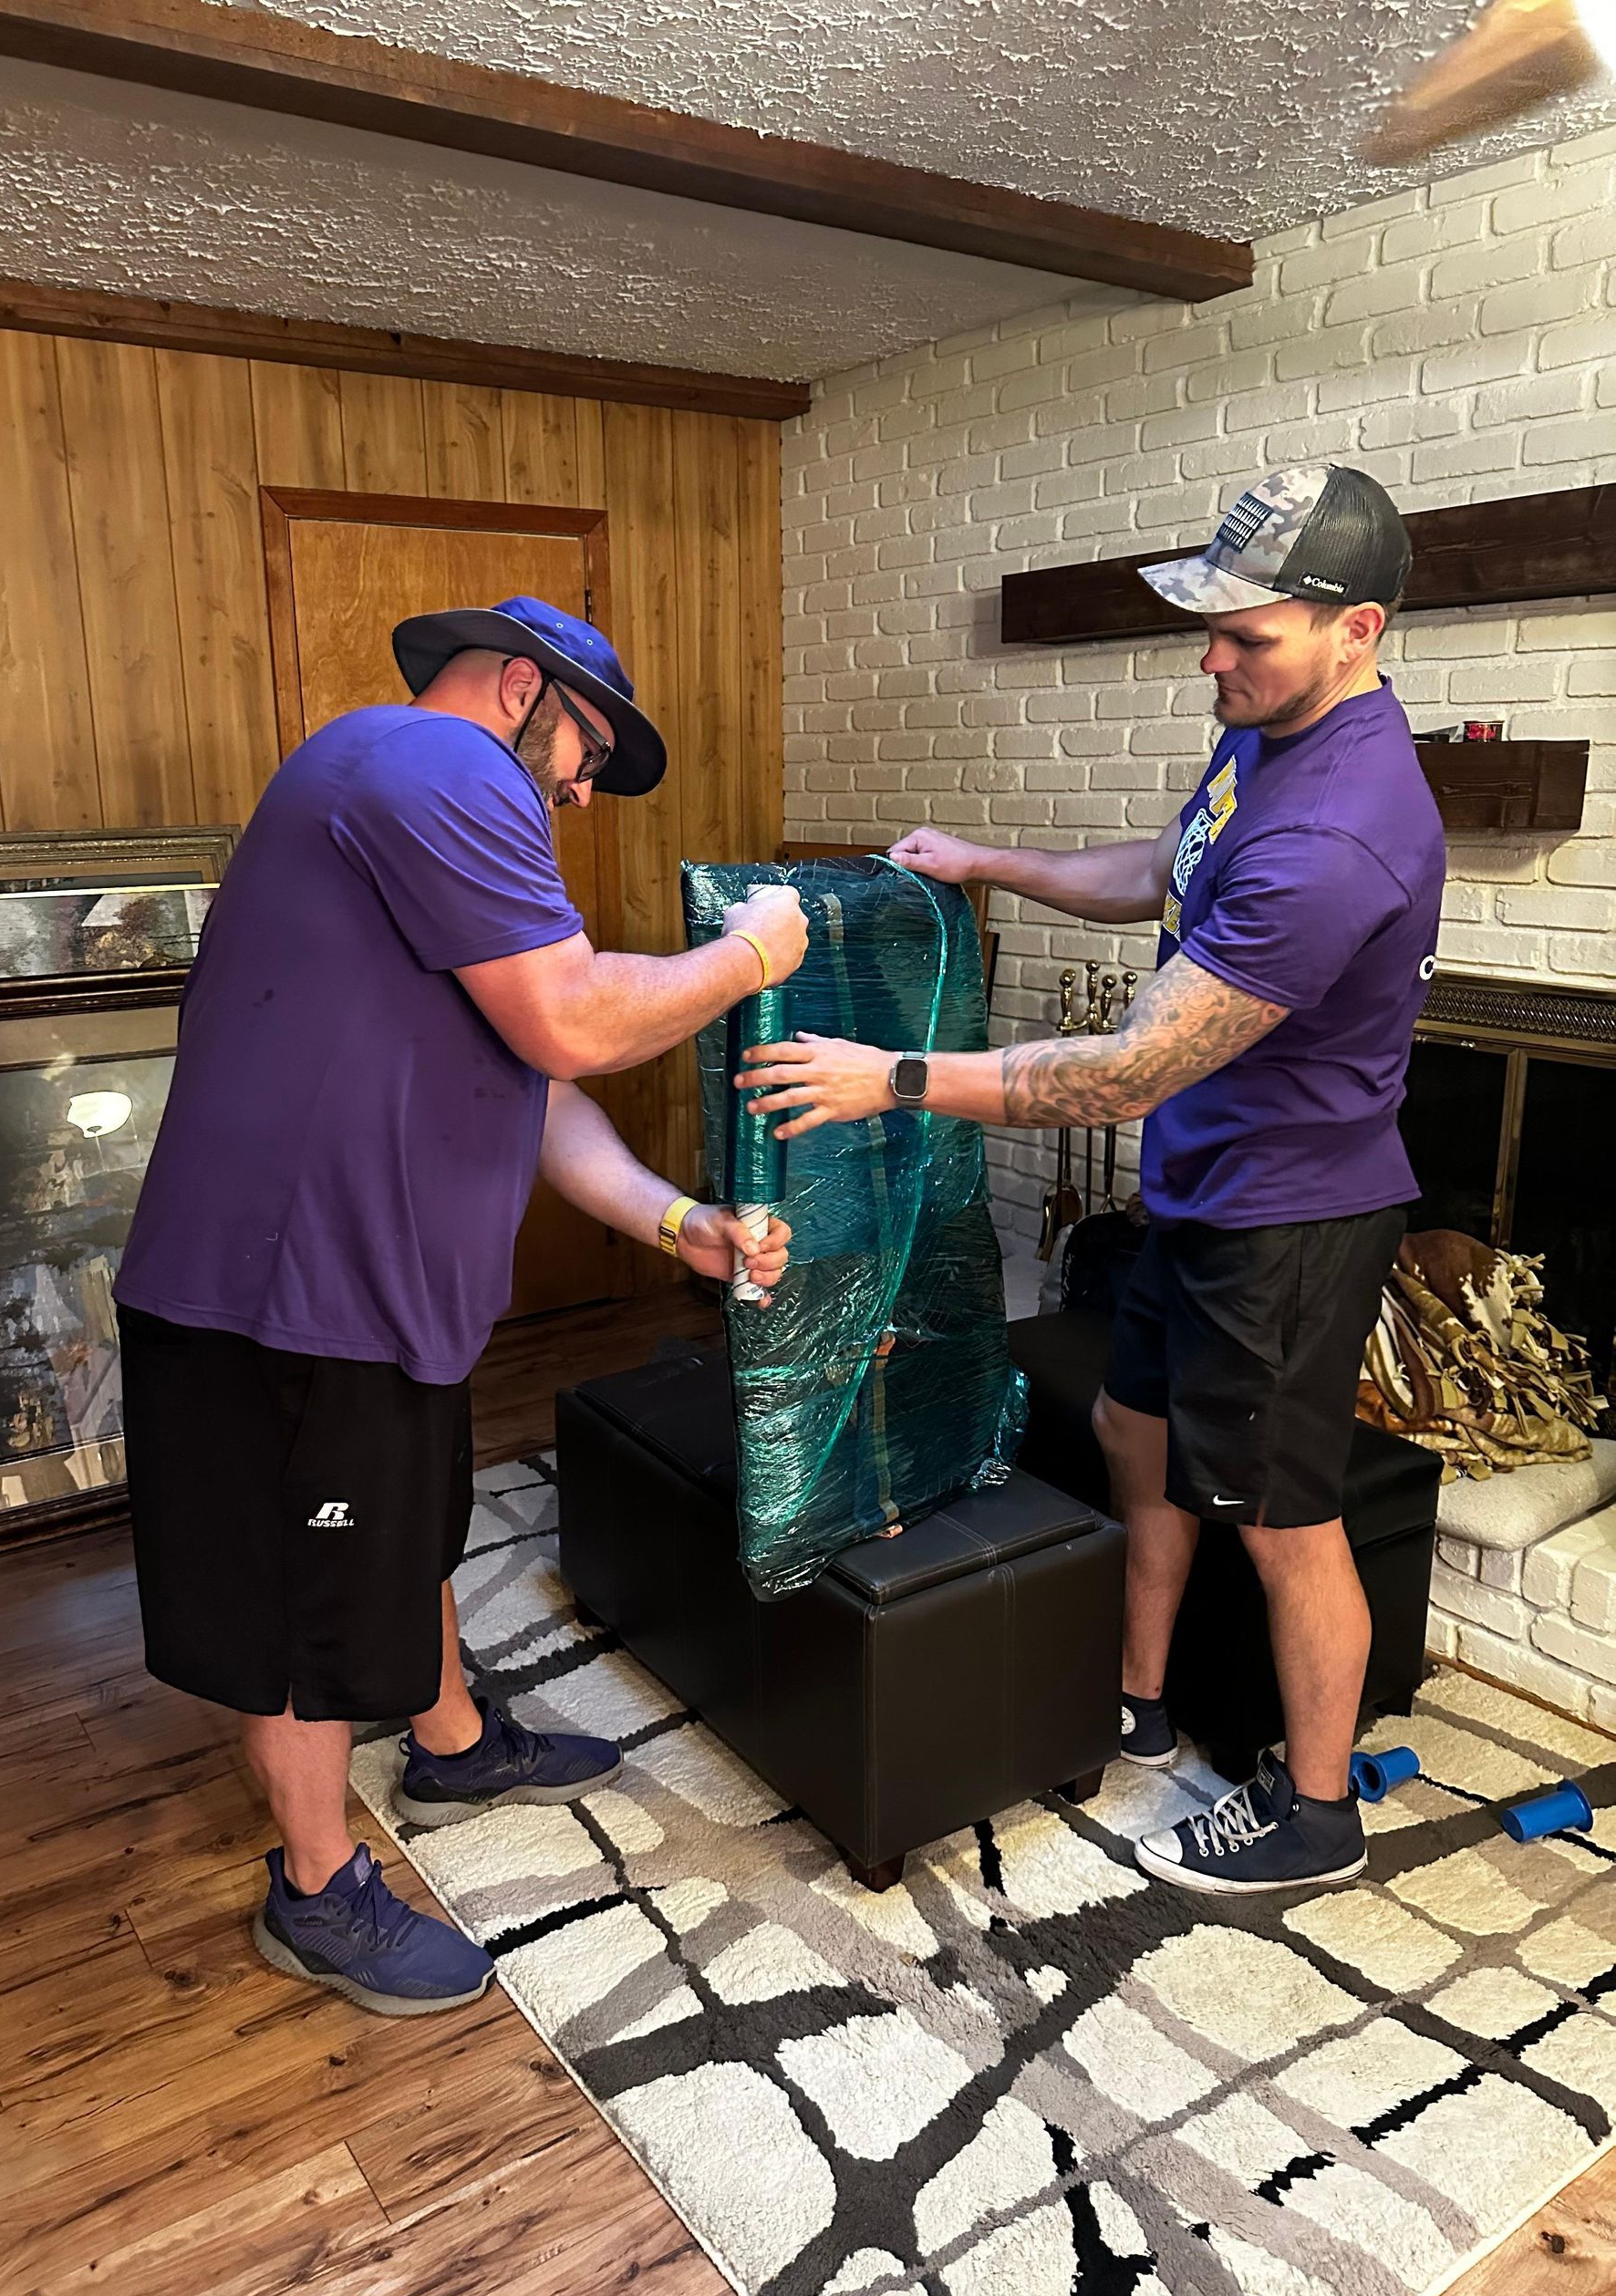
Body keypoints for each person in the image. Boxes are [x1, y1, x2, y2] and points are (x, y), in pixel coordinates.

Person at [740, 465, 1445, 1898]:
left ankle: (1316, 1817)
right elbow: (1172, 873)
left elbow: (1124, 1071)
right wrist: (993, 860)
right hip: (1200, 1190)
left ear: (1356, 627)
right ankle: (1137, 1699)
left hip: (1289, 1223)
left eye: (1247, 634)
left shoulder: (1339, 834)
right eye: (1213, 628)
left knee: (1286, 1520)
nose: (1212, 658)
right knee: (1134, 1432)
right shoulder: (1271, 744)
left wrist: (897, 1078)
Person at [115, 595, 807, 2013]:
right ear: (512, 687)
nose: (580, 788)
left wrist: (677, 1223)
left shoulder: (412, 806)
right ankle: (314, 1890)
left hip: (377, 1298)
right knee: (307, 1604)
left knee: (409, 1532)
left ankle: (451, 1739)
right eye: (586, 752)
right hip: (285, 1299)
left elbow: (537, 1084)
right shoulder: (433, 766)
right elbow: (578, 1020)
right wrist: (754, 956)